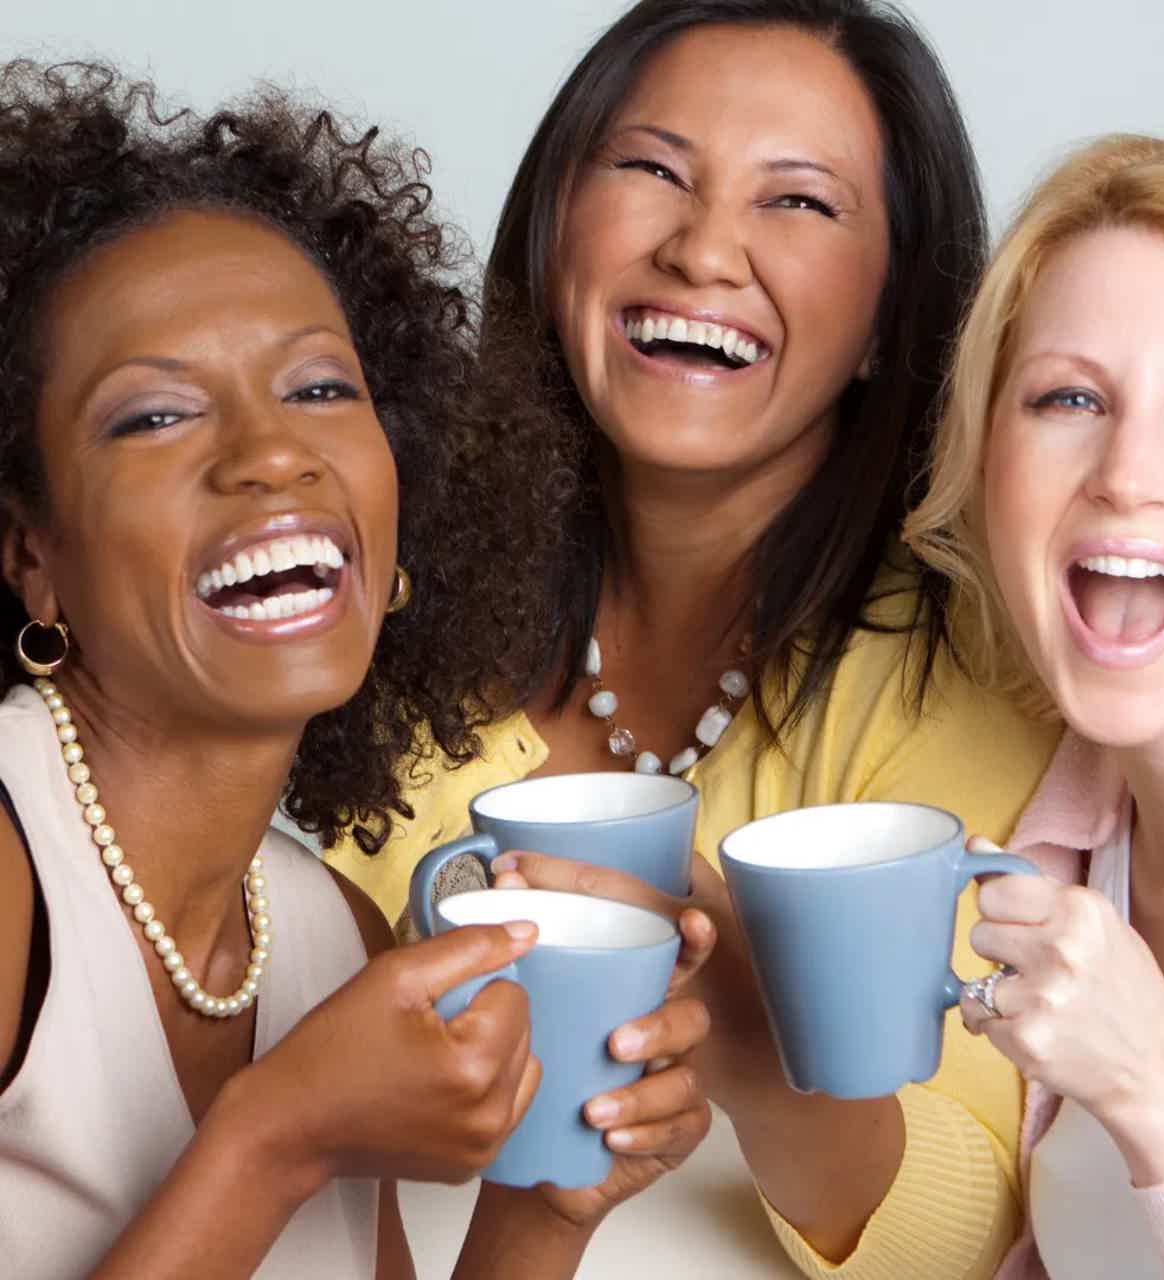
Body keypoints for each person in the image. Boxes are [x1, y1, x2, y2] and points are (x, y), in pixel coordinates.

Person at [331, 2, 1060, 1274]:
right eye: (652, 169)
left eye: (799, 203)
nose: (704, 249)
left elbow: (978, 1227)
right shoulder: (390, 593)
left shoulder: (970, 671)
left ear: (895, 309)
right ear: (559, 218)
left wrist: (754, 1039)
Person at [0, 61, 712, 1280]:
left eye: (322, 388)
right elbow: (273, 1147)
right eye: (156, 415)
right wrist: (277, 1137)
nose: (273, 452)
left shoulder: (334, 929)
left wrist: (545, 1206)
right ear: (35, 557)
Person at [904, 134, 1164, 1276]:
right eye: (1067, 396)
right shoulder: (1061, 839)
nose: (1123, 472)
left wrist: (1151, 1081)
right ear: (984, 465)